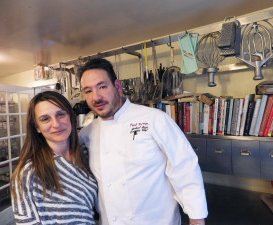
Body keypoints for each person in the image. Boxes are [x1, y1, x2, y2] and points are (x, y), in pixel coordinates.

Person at [78, 58, 208, 225]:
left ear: (117, 86)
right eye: (88, 91)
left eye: (102, 87)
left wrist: (196, 219)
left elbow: (185, 169)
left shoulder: (154, 119)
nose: (96, 97)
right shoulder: (87, 133)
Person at [10, 91, 98, 224]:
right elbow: (26, 221)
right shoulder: (28, 172)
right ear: (37, 127)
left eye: (61, 114)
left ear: (71, 117)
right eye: (45, 119)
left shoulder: (88, 155)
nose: (56, 124)